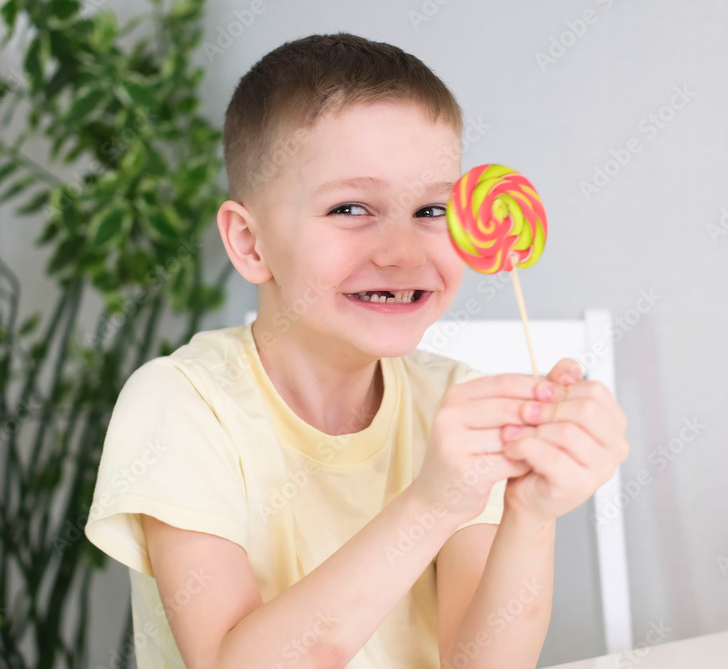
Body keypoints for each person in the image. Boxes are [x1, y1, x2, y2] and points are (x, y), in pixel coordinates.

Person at [84, 32, 629, 669]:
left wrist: (531, 515)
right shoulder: (182, 406)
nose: (401, 252)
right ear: (250, 243)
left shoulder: (454, 405)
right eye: (350, 207)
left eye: (431, 208)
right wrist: (433, 502)